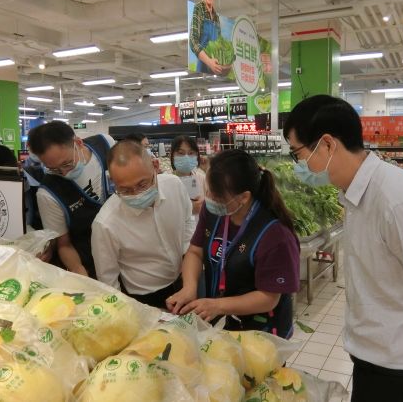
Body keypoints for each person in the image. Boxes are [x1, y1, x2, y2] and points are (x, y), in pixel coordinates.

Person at [283, 95, 403, 402]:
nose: (299, 166)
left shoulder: (397, 200)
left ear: (328, 145)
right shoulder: (357, 193)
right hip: (376, 366)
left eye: (299, 154)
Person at [167, 149, 300, 339]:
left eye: (217, 197)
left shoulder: (275, 235)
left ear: (244, 197)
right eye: (208, 192)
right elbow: (195, 252)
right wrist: (189, 287)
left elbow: (268, 298)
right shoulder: (214, 212)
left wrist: (217, 305)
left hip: (263, 331)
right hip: (227, 321)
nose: (210, 200)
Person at [91, 141, 195, 309]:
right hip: (145, 297)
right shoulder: (106, 223)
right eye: (125, 190)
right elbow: (108, 279)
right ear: (113, 181)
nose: (136, 195)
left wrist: (187, 256)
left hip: (185, 280)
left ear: (155, 166)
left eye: (142, 184)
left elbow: (188, 220)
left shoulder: (174, 185)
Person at [28, 121, 115, 278]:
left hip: (127, 248)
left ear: (78, 143)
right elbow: (64, 244)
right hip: (90, 259)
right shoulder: (48, 193)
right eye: (53, 168)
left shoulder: (105, 144)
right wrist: (79, 272)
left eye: (67, 163)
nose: (64, 173)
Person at [190, 0, 225, 75]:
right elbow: (193, 41)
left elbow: (219, 44)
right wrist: (209, 62)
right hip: (203, 66)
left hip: (216, 66)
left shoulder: (216, 17)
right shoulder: (198, 8)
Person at [170, 135, 206, 219]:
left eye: (191, 153)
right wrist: (188, 210)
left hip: (198, 229)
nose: (186, 157)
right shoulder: (165, 182)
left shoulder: (202, 179)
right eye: (181, 153)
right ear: (172, 155)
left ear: (197, 155)